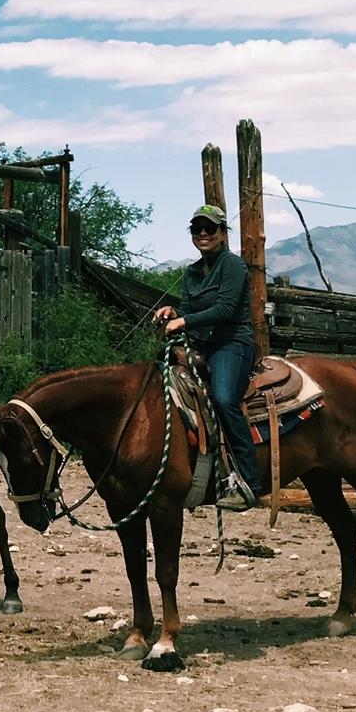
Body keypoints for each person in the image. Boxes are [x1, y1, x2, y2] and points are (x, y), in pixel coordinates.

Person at [154, 203, 262, 511]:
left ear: (222, 233)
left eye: (210, 228)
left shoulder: (233, 266)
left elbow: (226, 310)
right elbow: (189, 311)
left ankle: (250, 482)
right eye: (197, 228)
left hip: (232, 344)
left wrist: (183, 321)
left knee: (224, 399)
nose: (203, 233)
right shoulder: (191, 272)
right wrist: (173, 314)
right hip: (200, 346)